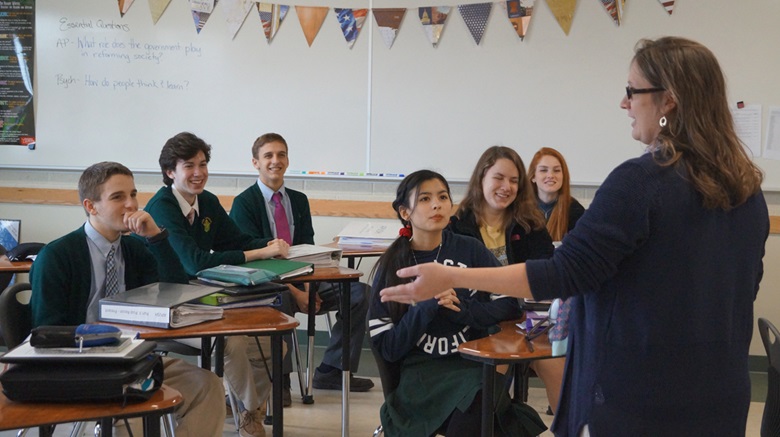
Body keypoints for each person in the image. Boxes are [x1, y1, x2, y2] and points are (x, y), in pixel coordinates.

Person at [378, 37, 768, 436]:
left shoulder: (639, 184)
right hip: (721, 396)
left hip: (640, 400)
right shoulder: (746, 192)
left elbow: (562, 273)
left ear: (668, 100)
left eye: (632, 92)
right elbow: (741, 290)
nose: (624, 103)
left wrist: (453, 276)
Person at [29, 161, 226, 437]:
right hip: (82, 364)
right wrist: (102, 345)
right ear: (91, 206)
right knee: (130, 419)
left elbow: (176, 293)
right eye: (118, 197)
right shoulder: (58, 256)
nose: (131, 204)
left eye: (133, 194)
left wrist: (157, 238)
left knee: (208, 386)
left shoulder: (136, 249)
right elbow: (47, 332)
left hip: (134, 360)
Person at [369, 169, 546, 437]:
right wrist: (426, 306)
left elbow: (510, 304)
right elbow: (388, 349)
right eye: (425, 199)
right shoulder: (393, 264)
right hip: (421, 375)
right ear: (405, 212)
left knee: (480, 402)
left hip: (470, 364)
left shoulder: (469, 248)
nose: (437, 204)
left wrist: (463, 310)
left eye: (443, 196)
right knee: (488, 413)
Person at [145, 132, 289, 437]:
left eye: (203, 164)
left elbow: (236, 240)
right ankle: (250, 415)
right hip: (164, 308)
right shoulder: (162, 206)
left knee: (277, 345)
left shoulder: (207, 202)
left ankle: (247, 408)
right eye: (189, 166)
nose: (199, 173)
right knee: (233, 343)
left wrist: (272, 244)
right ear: (170, 172)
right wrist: (260, 252)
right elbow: (194, 262)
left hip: (200, 299)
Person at [229, 133, 374, 404]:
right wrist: (296, 292)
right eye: (268, 156)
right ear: (255, 163)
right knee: (281, 300)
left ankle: (332, 369)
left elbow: (307, 250)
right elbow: (254, 259)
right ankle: (280, 382)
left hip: (306, 278)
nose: (276, 161)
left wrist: (308, 288)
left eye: (281, 155)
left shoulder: (298, 199)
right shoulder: (244, 203)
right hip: (269, 284)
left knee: (360, 293)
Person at [448, 145, 565, 414]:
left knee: (557, 364)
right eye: (499, 178)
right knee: (492, 374)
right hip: (480, 320)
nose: (507, 187)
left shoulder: (530, 225)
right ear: (481, 178)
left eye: (514, 181)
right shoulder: (457, 226)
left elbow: (547, 276)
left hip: (529, 321)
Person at [528, 147, 585, 242]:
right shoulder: (520, 210)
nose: (550, 175)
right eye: (543, 170)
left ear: (563, 176)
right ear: (533, 176)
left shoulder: (575, 210)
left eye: (557, 170)